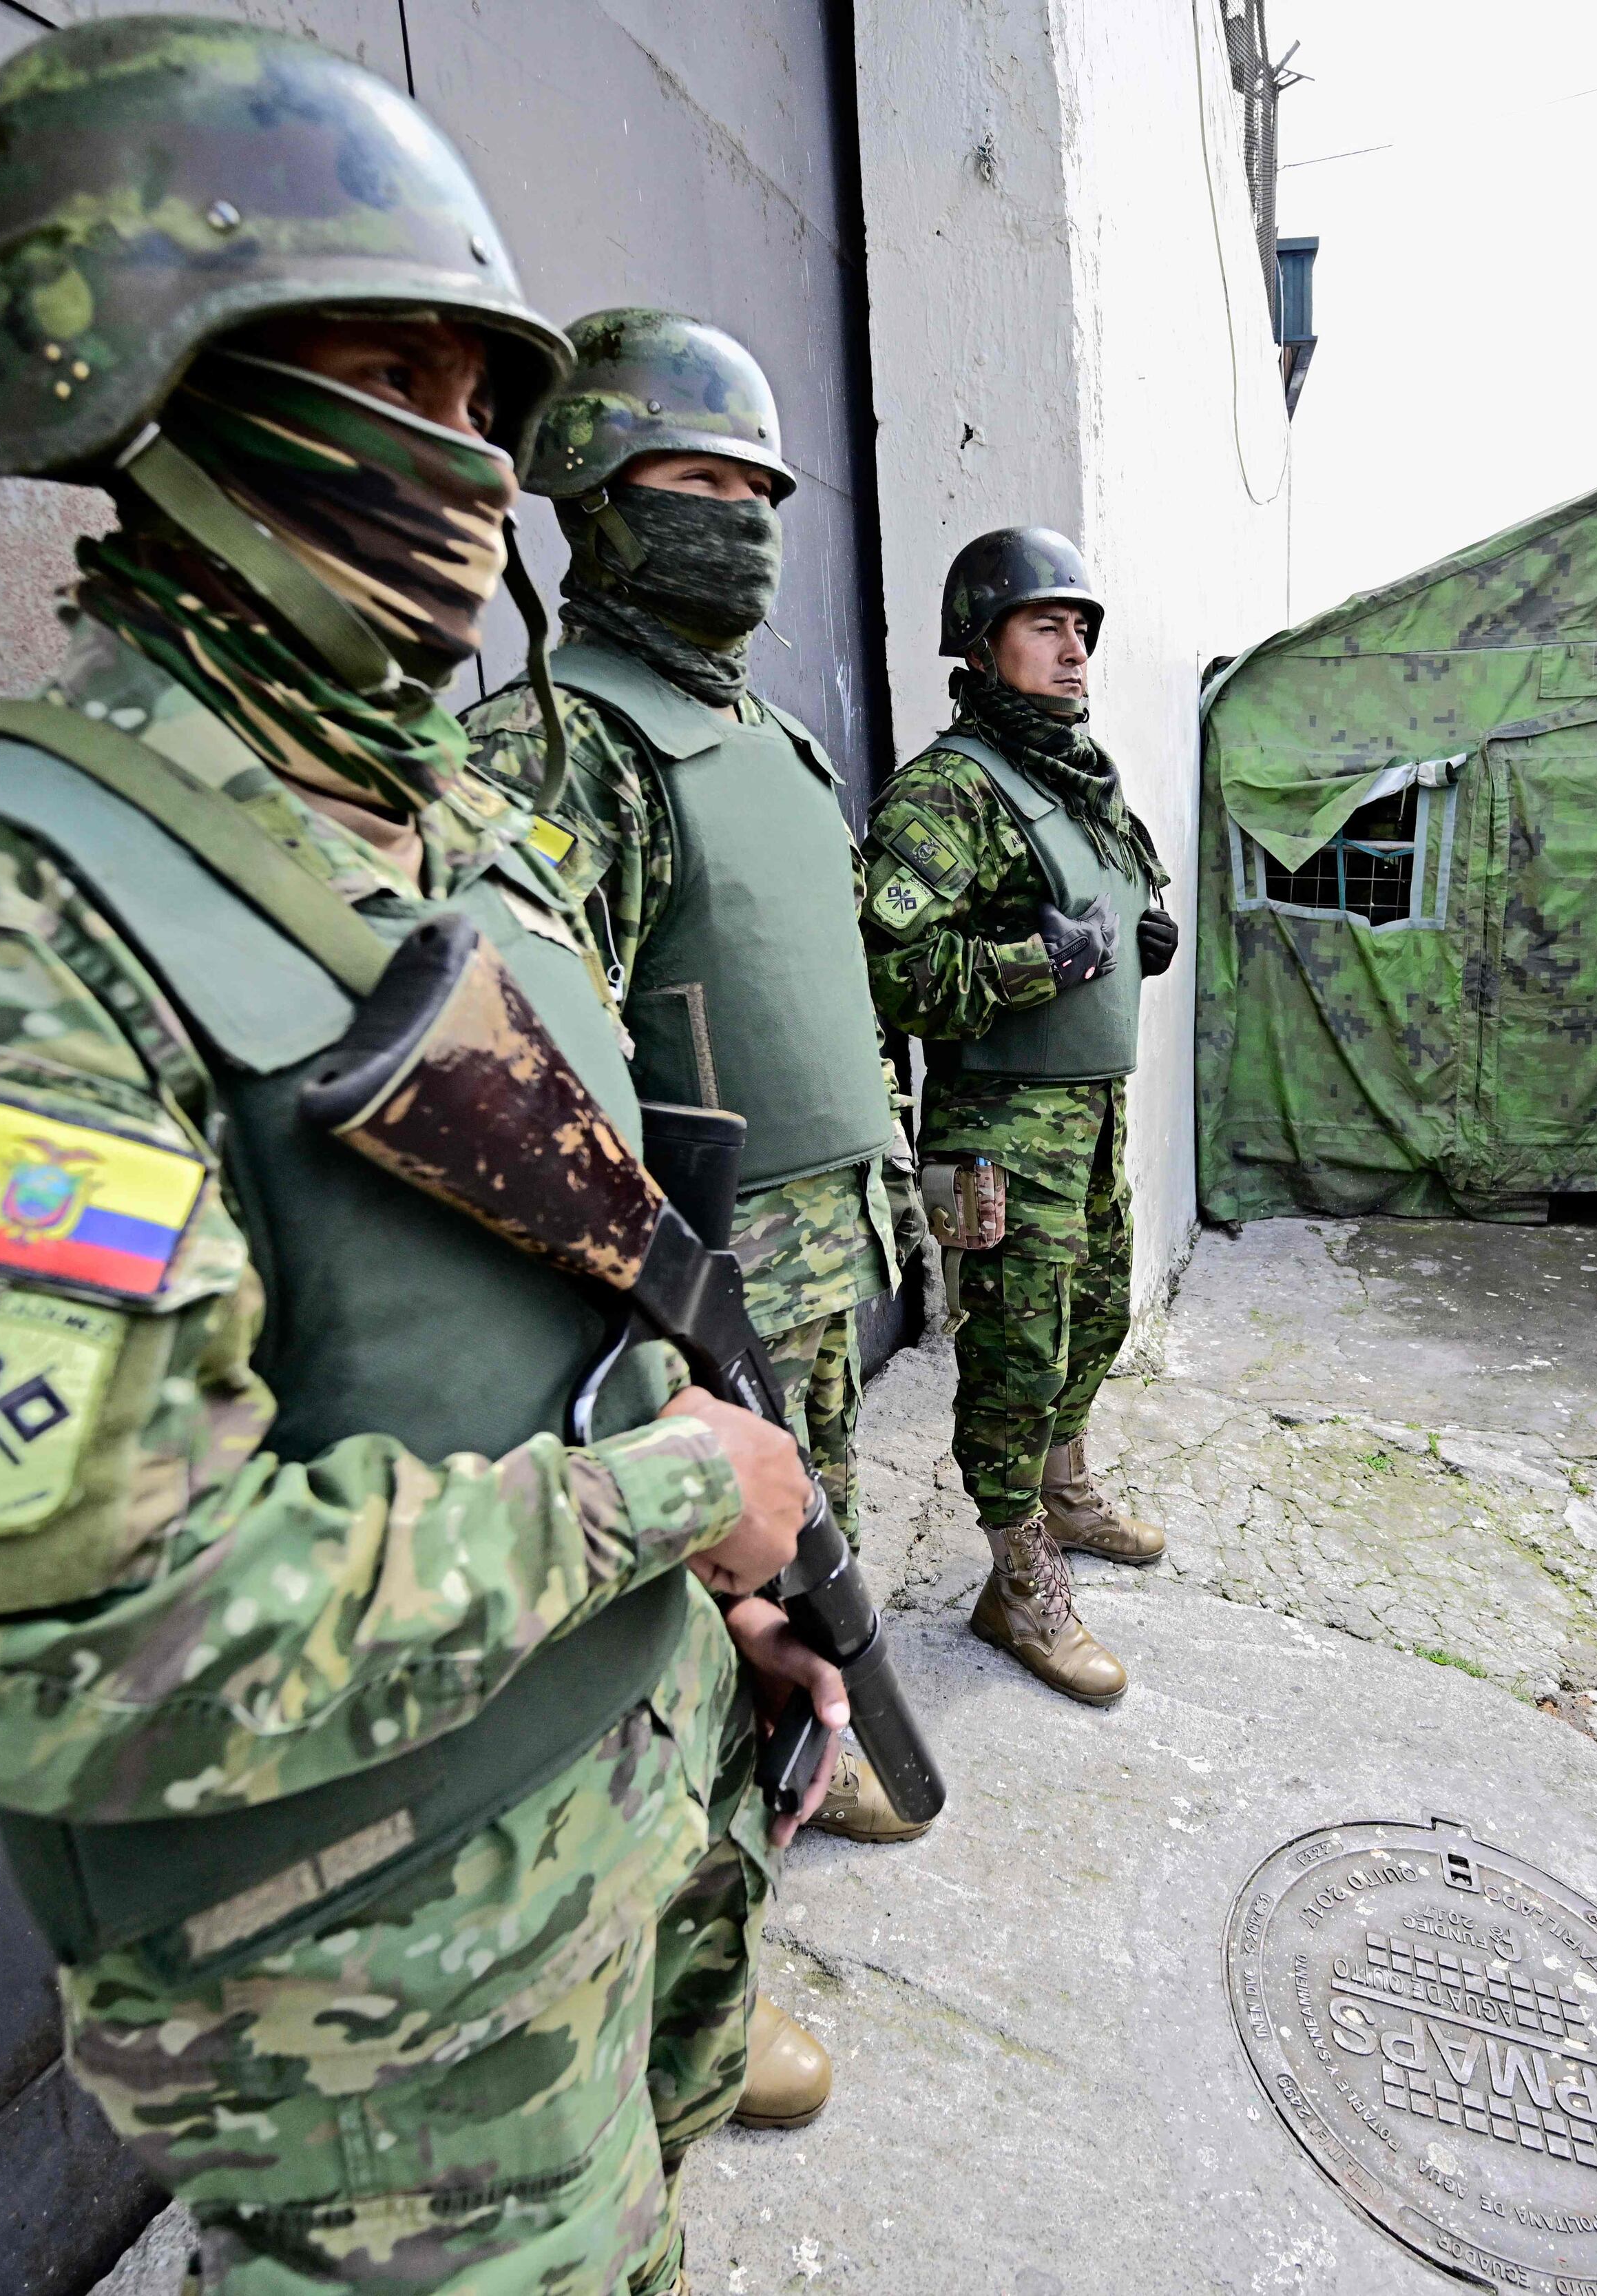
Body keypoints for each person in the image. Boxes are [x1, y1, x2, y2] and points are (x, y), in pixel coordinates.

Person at [0, 22, 837, 2289]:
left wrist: (726, 1608)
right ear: (153, 382)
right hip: (380, 2035)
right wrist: (667, 1499)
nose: (468, 460)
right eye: (391, 371)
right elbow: (39, 1648)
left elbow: (557, 1299)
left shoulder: (453, 816)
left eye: (489, 398)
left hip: (613, 1839)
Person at [463, 305, 923, 1882]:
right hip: (693, 1284)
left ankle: (783, 1785)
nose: (741, 527)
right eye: (695, 485)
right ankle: (704, 1881)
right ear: (594, 497)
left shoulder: (772, 738)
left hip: (823, 1247)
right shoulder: (564, 741)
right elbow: (525, 1078)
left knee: (813, 1550)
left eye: (760, 498)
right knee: (692, 1592)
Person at [859, 529, 1174, 1705]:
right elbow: (886, 968)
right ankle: (1016, 1580)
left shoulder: (1075, 775)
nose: (1075, 644)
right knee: (1010, 1355)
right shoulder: (952, 789)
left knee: (1092, 1318)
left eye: (1082, 626)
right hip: (1000, 1127)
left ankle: (1068, 1487)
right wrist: (1037, 960)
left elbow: (1121, 889)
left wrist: (1141, 930)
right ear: (984, 642)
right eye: (1047, 623)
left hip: (1089, 1117)